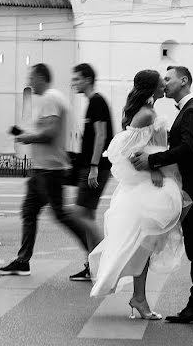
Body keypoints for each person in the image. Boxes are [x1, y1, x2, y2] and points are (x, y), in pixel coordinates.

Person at [88, 70, 187, 321]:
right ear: (152, 87)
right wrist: (152, 167)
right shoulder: (146, 114)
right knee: (145, 243)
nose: (164, 85)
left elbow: (143, 146)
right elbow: (124, 150)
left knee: (144, 244)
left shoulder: (144, 112)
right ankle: (139, 298)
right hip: (150, 188)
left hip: (150, 186)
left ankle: (139, 297)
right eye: (160, 82)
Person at [131, 66, 193, 324]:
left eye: (168, 79)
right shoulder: (192, 110)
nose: (164, 83)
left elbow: (186, 149)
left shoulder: (192, 112)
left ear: (184, 80)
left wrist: (152, 160)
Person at [0, 63, 91, 276]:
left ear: (41, 77)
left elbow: (49, 133)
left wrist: (26, 137)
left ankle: (94, 252)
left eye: (31, 78)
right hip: (42, 169)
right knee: (29, 211)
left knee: (61, 215)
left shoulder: (51, 98)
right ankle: (23, 261)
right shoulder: (51, 99)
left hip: (50, 170)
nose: (28, 82)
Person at [68, 63, 114, 282]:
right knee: (85, 215)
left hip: (95, 168)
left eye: (76, 79)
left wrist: (94, 167)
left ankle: (103, 260)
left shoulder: (97, 101)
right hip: (91, 167)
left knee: (78, 214)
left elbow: (101, 135)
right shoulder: (92, 102)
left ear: (87, 79)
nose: (73, 82)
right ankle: (93, 264)